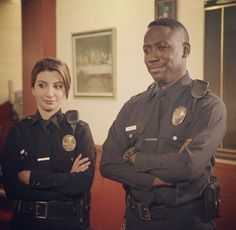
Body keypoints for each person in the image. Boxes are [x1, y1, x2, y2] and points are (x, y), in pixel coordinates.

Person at [100, 18, 227, 230]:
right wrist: (153, 180)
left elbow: (188, 167)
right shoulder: (133, 105)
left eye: (162, 47)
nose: (152, 57)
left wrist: (136, 159)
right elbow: (108, 164)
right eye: (146, 50)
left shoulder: (208, 106)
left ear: (185, 50)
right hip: (135, 220)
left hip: (185, 222)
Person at [1, 57, 96, 230]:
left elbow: (82, 184)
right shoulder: (18, 132)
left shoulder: (80, 131)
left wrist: (33, 178)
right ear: (33, 89)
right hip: (25, 223)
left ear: (65, 91)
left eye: (58, 86)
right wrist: (67, 180)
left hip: (69, 224)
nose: (50, 93)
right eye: (42, 85)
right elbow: (13, 189)